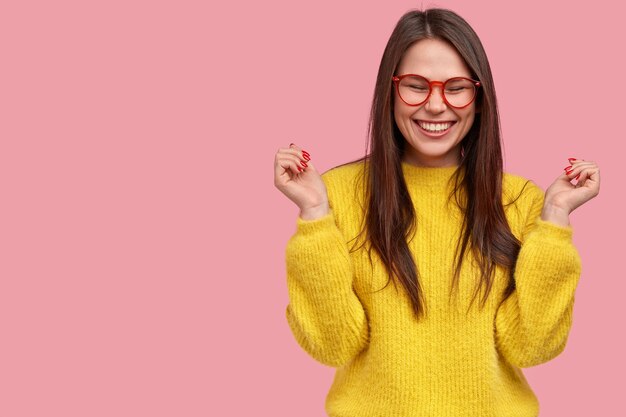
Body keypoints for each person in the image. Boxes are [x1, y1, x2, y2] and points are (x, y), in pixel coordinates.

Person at [273, 8, 600, 417]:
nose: (435, 105)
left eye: (457, 87)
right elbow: (331, 344)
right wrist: (316, 217)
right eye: (415, 85)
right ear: (390, 91)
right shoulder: (336, 194)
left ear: (479, 99)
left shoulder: (520, 201)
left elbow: (532, 347)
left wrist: (553, 221)